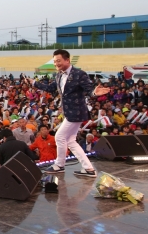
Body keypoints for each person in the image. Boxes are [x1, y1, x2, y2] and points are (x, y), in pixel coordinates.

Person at [28, 49, 109, 177]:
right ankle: (89, 169)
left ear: (67, 60)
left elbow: (89, 90)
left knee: (59, 137)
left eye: (58, 61)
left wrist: (94, 93)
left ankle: (59, 165)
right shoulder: (59, 75)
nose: (56, 64)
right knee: (70, 141)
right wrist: (34, 83)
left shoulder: (79, 74)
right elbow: (51, 88)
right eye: (55, 62)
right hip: (68, 112)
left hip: (76, 112)